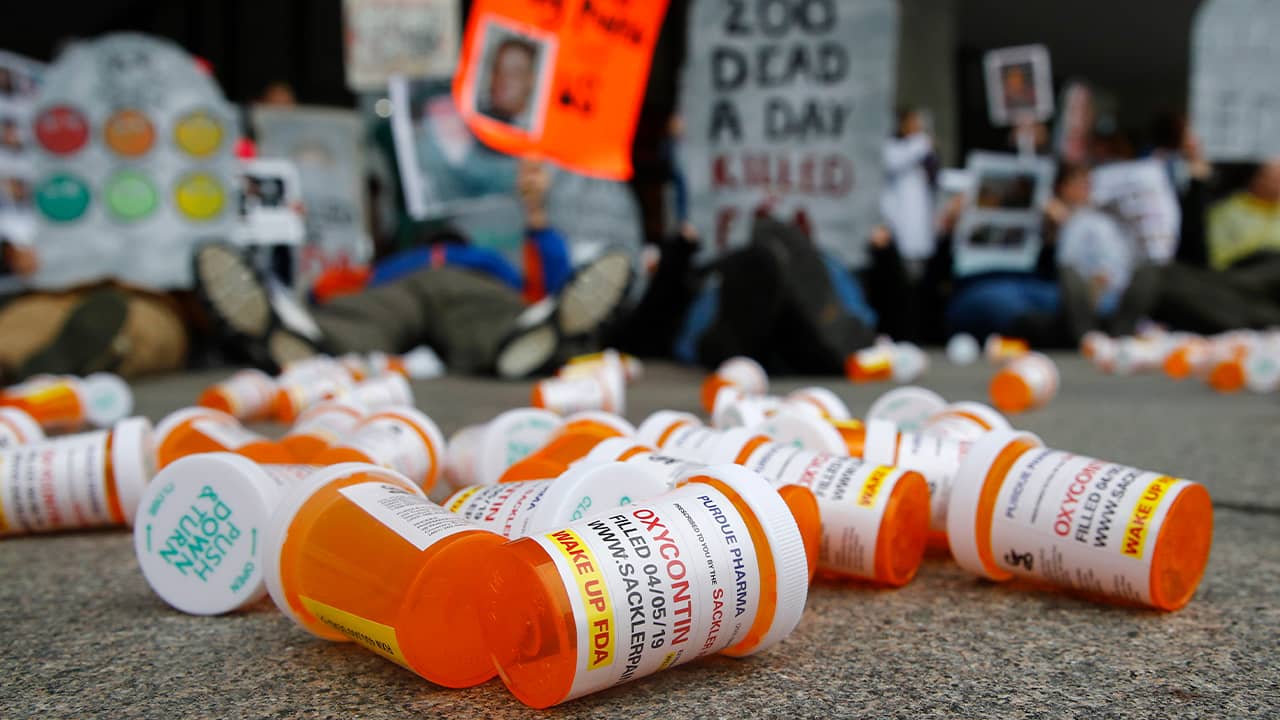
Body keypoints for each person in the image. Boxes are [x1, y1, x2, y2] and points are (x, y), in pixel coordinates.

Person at [880, 108, 937, 272]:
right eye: (913, 122)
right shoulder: (893, 146)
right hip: (899, 219)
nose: (916, 126)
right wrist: (922, 143)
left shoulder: (921, 147)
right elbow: (894, 161)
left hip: (920, 219)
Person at [479, 36, 538, 130]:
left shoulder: (534, 128)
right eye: (498, 69)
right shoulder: (475, 113)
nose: (503, 79)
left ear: (531, 80)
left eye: (515, 73)